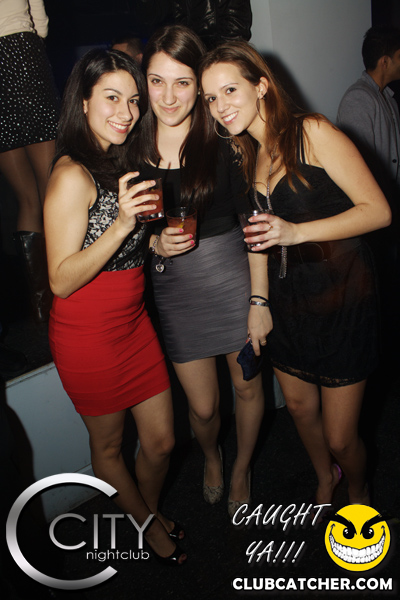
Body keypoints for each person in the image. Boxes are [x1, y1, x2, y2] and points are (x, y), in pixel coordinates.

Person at [200, 41, 391, 509]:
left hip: (342, 293)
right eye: (210, 98)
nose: (220, 106)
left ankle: (358, 488)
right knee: (302, 411)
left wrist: (297, 231)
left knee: (342, 435)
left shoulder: (313, 131)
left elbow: (378, 211)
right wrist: (258, 303)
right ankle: (325, 478)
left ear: (261, 86)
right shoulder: (247, 154)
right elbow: (257, 238)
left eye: (229, 90)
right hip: (288, 299)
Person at [44, 48, 186, 565]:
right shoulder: (72, 175)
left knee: (162, 442)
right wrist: (125, 225)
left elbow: (124, 249)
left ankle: (143, 510)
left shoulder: (122, 160)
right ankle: (150, 527)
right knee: (107, 449)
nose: (126, 112)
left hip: (133, 323)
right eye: (111, 98)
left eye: (132, 100)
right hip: (88, 335)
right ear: (83, 102)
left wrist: (155, 243)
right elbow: (61, 279)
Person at [130, 25, 265, 518]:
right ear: (144, 81)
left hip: (232, 274)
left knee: (247, 385)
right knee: (204, 407)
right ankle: (212, 455)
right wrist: (152, 241)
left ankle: (242, 467)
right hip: (175, 288)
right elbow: (118, 227)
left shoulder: (224, 137)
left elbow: (253, 220)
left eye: (183, 82)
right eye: (157, 81)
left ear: (199, 82)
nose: (168, 97)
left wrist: (259, 300)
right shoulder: (130, 144)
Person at [0, 0, 59, 322]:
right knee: (53, 186)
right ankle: (66, 284)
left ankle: (41, 303)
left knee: (26, 199)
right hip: (21, 54)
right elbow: (42, 23)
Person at [337, 25, 400, 205]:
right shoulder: (358, 98)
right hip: (375, 201)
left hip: (391, 198)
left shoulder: (389, 98)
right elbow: (358, 166)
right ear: (385, 62)